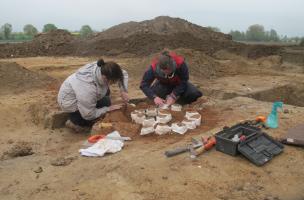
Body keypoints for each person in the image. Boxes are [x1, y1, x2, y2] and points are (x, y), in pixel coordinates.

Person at [58, 59, 129, 132]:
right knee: (95, 118)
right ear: (105, 78)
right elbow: (88, 114)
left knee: (106, 100)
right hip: (70, 104)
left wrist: (123, 91)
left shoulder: (104, 69)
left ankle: (92, 109)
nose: (114, 83)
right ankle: (74, 123)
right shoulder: (87, 88)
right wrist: (107, 109)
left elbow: (123, 74)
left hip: (82, 95)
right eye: (113, 82)